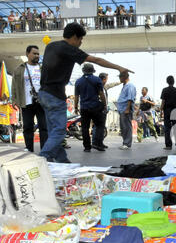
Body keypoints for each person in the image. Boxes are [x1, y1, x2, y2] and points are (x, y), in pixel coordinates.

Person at [38, 22, 133, 163]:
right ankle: (41, 160)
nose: (81, 42)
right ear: (74, 37)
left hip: (43, 94)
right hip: (55, 95)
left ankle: (63, 163)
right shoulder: (69, 48)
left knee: (54, 133)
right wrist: (119, 68)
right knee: (58, 132)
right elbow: (96, 59)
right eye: (80, 39)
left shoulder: (51, 46)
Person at [11, 45, 48, 153]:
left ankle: (45, 151)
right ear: (27, 54)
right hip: (26, 102)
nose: (37, 55)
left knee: (44, 127)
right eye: (34, 53)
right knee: (27, 127)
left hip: (42, 102)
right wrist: (14, 99)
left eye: (38, 53)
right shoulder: (19, 69)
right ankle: (29, 150)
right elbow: (14, 85)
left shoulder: (43, 68)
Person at [74, 63, 107, 152]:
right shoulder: (97, 80)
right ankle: (98, 144)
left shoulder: (78, 81)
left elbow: (76, 96)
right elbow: (101, 94)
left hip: (84, 108)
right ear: (92, 71)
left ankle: (87, 147)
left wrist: (76, 107)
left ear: (83, 71)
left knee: (85, 127)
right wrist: (104, 105)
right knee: (100, 125)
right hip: (95, 106)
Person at [92, 72, 121, 149]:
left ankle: (99, 142)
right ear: (104, 79)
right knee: (98, 127)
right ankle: (96, 143)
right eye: (107, 79)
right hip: (98, 108)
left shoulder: (104, 86)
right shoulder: (97, 86)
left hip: (102, 109)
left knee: (100, 127)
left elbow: (111, 85)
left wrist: (119, 82)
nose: (107, 81)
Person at [160, 75, 176, 150]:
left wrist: (161, 111)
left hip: (167, 111)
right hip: (175, 111)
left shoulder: (164, 90)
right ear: (174, 81)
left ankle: (168, 145)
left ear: (167, 82)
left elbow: (163, 102)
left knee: (167, 128)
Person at [116, 72, 137, 150]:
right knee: (123, 127)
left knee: (127, 127)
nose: (119, 78)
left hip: (125, 109)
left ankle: (127, 143)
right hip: (122, 109)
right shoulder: (125, 86)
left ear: (125, 77)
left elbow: (130, 98)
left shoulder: (130, 86)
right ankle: (125, 142)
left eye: (120, 77)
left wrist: (127, 109)